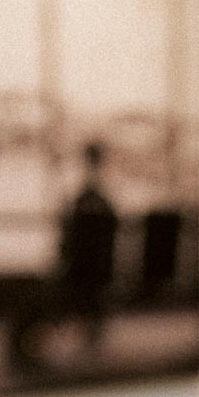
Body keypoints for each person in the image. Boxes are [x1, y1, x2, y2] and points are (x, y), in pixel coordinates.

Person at [58, 141, 118, 349]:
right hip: (99, 267)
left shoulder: (84, 197)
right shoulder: (102, 197)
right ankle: (92, 334)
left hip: (84, 268)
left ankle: (87, 330)